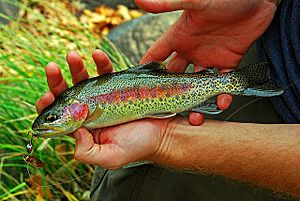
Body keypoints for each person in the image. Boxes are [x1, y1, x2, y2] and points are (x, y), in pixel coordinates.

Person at [36, 0, 300, 200]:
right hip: (263, 33)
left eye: (53, 118)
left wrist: (165, 142)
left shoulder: (87, 106)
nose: (50, 123)